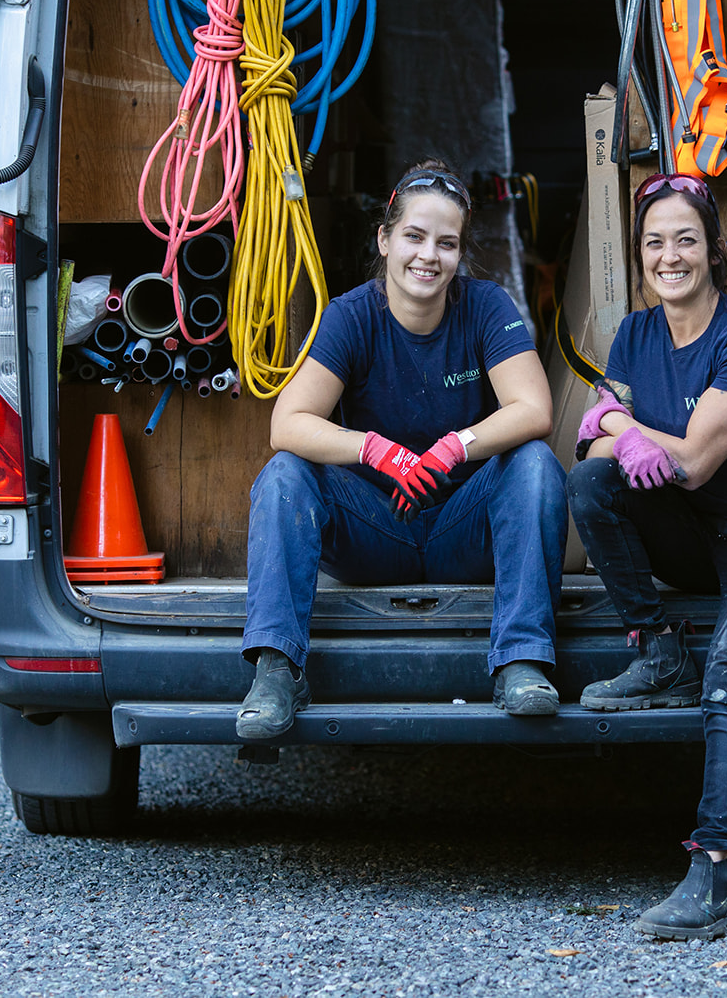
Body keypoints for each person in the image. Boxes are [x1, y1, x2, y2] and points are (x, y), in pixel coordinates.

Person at [570, 173, 727, 940]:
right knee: (592, 483)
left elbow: (693, 464)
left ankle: (714, 871)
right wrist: (621, 430)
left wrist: (628, 429)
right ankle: (656, 651)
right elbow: (591, 431)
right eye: (655, 241)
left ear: (714, 251)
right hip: (698, 536)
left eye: (685, 238)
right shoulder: (636, 334)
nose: (669, 255)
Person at [237, 161, 568, 736]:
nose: (428, 256)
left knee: (535, 463)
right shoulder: (351, 314)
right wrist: (374, 450)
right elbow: (286, 423)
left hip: (463, 529)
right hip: (377, 528)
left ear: (460, 255)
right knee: (285, 473)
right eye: (414, 236)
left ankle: (522, 661)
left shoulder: (486, 306)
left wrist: (455, 447)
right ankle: (276, 670)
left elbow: (533, 409)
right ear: (385, 239)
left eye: (446, 243)